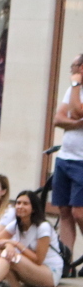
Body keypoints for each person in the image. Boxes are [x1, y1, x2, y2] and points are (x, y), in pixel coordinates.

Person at [51, 53, 83, 268]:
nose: (72, 70)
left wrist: (75, 84)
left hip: (82, 161)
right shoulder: (72, 90)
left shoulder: (74, 87)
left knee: (78, 212)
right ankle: (65, 260)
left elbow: (77, 110)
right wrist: (75, 123)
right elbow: (58, 118)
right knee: (64, 211)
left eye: (74, 66)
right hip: (65, 157)